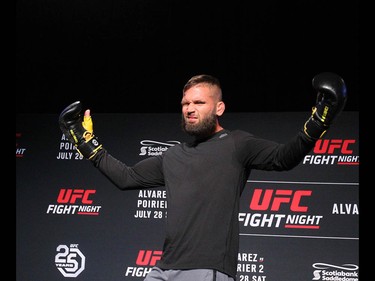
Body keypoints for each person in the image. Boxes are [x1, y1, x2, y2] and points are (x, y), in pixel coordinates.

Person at [59, 73, 347, 281]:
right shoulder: (172, 157)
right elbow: (126, 177)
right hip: (164, 269)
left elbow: (285, 157)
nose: (190, 109)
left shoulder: (237, 144)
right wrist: (84, 141)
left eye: (199, 103)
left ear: (219, 108)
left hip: (207, 270)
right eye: (185, 104)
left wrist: (320, 119)